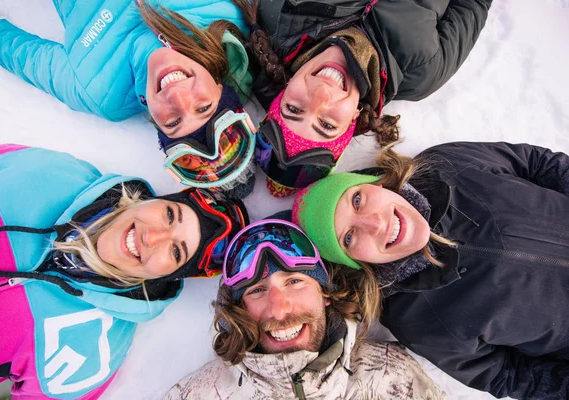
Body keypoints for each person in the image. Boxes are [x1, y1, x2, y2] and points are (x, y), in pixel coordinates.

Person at [0, 142, 248, 399]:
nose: (153, 237)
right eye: (169, 214)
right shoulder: (49, 173)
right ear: (151, 200)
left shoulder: (92, 355)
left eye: (176, 252)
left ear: (168, 276)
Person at [292, 141, 569, 399]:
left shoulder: (446, 166)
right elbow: (505, 375)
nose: (375, 224)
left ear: (375, 183)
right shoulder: (416, 320)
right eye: (349, 238)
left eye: (357, 200)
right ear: (353, 263)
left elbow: (536, 164)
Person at [231, 0, 493, 197]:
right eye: (327, 125)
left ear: (284, 88)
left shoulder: (282, 13)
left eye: (294, 108)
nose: (321, 95)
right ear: (354, 119)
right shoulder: (422, 74)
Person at [165, 219, 445, 399]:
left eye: (295, 282)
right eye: (257, 291)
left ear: (326, 294)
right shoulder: (198, 394)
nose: (279, 309)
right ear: (240, 311)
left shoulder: (390, 372)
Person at [0, 0, 252, 154]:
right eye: (203, 108)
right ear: (220, 86)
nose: (177, 97)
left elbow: (12, 49)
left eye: (173, 122)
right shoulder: (220, 15)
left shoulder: (98, 91)